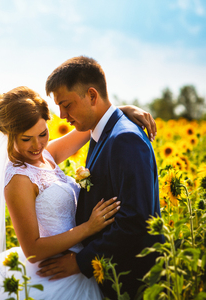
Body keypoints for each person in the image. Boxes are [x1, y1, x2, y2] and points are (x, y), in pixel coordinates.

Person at [0, 86, 157, 300]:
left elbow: (91, 125)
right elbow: (33, 250)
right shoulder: (18, 178)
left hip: (78, 264)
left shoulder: (46, 155)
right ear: (9, 136)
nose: (37, 145)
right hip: (53, 273)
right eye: (26, 139)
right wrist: (88, 228)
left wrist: (123, 110)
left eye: (43, 134)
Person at [38, 56, 164, 299]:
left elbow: (135, 220)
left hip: (133, 281)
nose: (62, 115)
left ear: (92, 96)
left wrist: (80, 262)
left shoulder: (124, 139)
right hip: (110, 277)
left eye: (67, 105)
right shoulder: (102, 132)